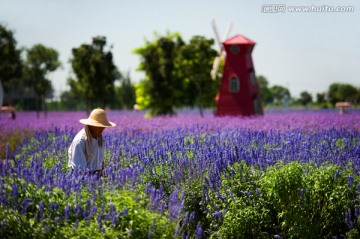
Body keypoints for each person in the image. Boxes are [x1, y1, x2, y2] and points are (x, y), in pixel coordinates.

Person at [68, 108, 116, 176]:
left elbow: (99, 162)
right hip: (80, 179)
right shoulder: (80, 141)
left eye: (103, 126)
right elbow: (79, 170)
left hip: (95, 177)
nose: (102, 129)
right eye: (99, 126)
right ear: (91, 125)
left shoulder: (99, 138)